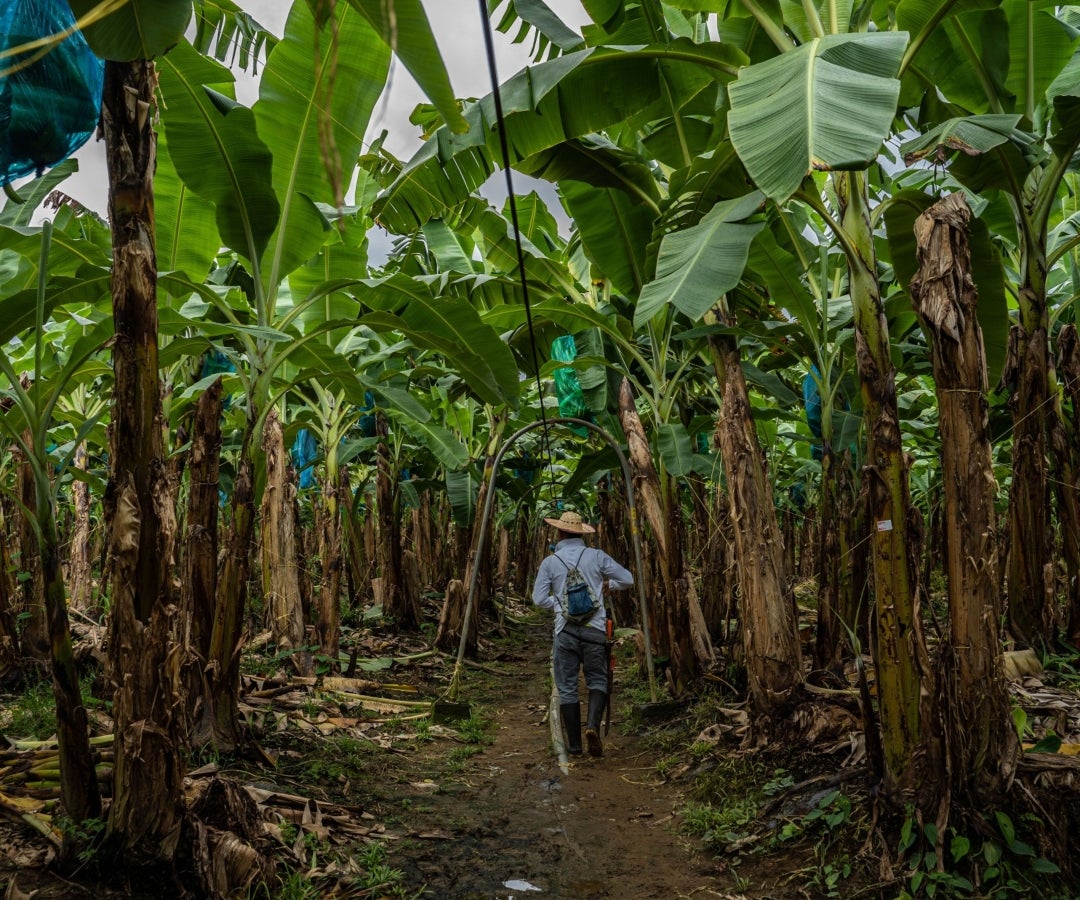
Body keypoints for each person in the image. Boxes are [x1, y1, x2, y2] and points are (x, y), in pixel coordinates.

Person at [532, 510, 634, 758]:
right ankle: (592, 727)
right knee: (597, 680)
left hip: (564, 631)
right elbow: (628, 579)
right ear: (582, 534)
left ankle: (575, 747)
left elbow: (537, 599)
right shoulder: (596, 556)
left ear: (559, 533)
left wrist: (559, 605)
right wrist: (609, 586)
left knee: (567, 687)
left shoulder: (551, 562)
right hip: (595, 629)